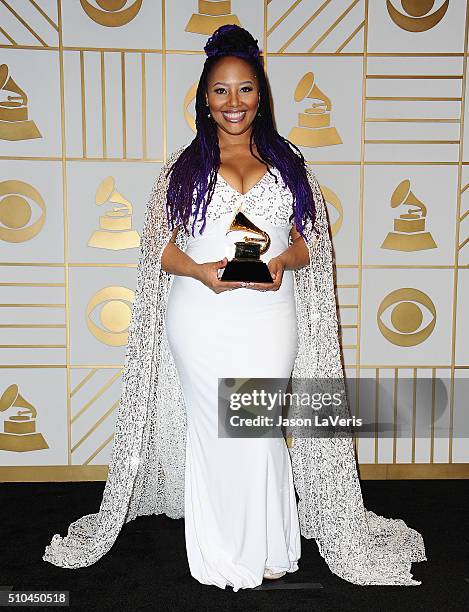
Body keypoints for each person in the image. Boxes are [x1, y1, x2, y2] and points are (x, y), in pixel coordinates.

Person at [43, 25, 426, 591]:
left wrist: (281, 263)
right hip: (201, 317)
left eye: (244, 89)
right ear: (204, 97)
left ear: (260, 94)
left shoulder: (290, 163)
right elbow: (160, 248)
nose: (233, 103)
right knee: (219, 432)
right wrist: (200, 271)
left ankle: (271, 544)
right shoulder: (184, 168)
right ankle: (225, 551)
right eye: (221, 91)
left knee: (261, 429)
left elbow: (305, 242)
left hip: (270, 316)